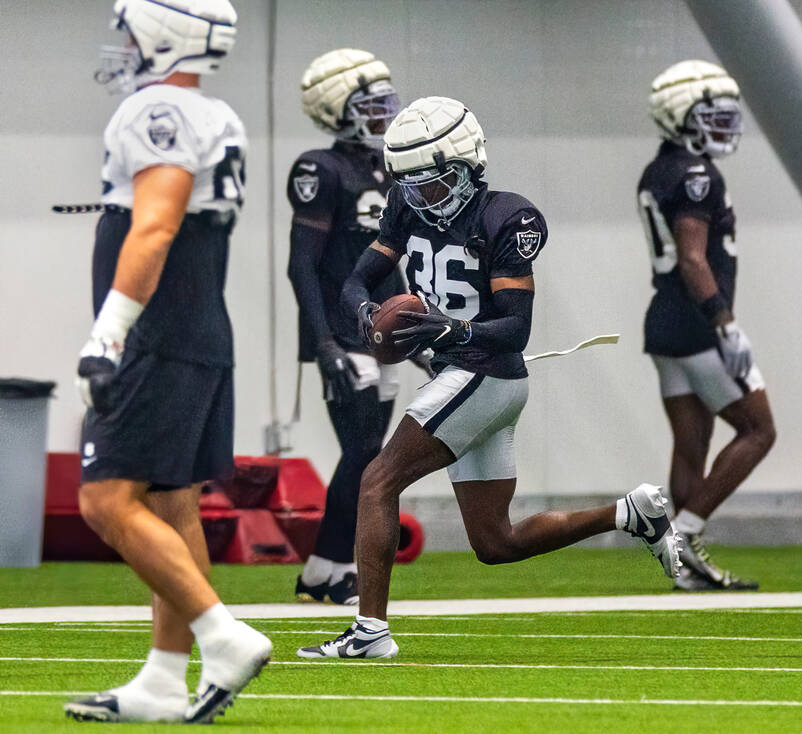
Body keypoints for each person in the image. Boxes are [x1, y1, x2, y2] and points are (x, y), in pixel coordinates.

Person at [297, 96, 681, 659]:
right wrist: (363, 317)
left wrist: (446, 331)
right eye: (414, 185)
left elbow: (514, 329)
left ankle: (369, 633)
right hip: (466, 375)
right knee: (495, 543)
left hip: (484, 372)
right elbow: (356, 280)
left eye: (435, 183)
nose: (424, 197)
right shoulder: (407, 208)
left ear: (469, 162)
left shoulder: (507, 217)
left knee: (377, 481)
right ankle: (631, 512)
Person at [65, 0, 271, 724]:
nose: (122, 43)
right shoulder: (216, 113)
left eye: (131, 28)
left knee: (105, 500)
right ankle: (162, 679)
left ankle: (222, 636)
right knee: (169, 502)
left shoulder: (154, 109)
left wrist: (107, 334)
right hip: (202, 326)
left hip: (160, 331)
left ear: (161, 33)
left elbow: (153, 229)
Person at [287, 48, 423, 606]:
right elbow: (302, 265)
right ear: (336, 109)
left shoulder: (386, 169)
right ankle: (332, 567)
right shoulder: (319, 168)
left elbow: (388, 265)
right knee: (366, 452)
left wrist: (417, 336)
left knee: (368, 454)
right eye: (372, 104)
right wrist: (322, 344)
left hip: (378, 333)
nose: (386, 113)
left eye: (387, 102)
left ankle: (323, 569)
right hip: (340, 334)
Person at [637, 60, 776, 591]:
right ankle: (684, 537)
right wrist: (726, 324)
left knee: (691, 444)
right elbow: (694, 258)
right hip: (697, 324)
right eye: (711, 116)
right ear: (679, 117)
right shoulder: (696, 174)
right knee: (760, 429)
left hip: (665, 321)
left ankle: (682, 567)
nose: (724, 126)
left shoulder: (660, 168)